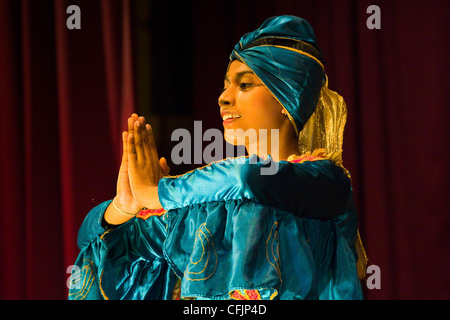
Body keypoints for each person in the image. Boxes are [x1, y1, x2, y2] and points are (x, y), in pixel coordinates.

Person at [68, 15, 367, 300]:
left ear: (286, 99)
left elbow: (249, 178)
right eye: (226, 84)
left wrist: (158, 192)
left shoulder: (326, 182)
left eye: (245, 84)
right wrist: (123, 207)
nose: (224, 97)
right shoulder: (204, 206)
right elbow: (93, 243)